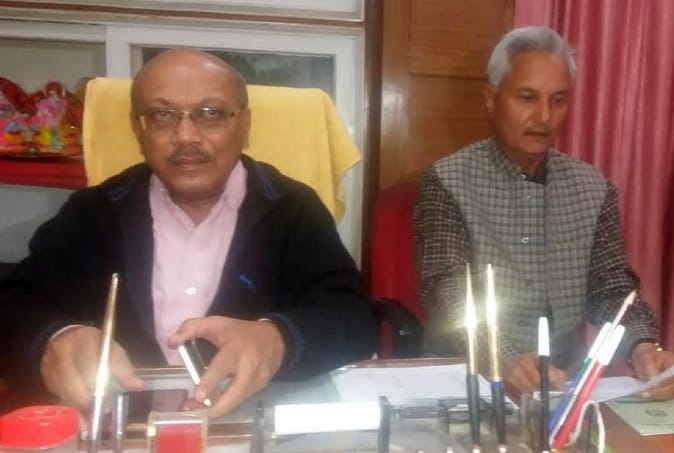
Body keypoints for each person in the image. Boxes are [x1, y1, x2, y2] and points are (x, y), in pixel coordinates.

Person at [0, 49, 377, 417]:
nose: (185, 136)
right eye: (162, 115)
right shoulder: (93, 212)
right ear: (138, 129)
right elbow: (16, 305)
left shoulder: (293, 208)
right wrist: (53, 338)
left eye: (210, 114)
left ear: (244, 126)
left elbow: (353, 319)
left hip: (248, 428)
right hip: (125, 429)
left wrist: (278, 338)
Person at [413, 26, 674, 398]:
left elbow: (611, 289)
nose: (544, 116)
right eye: (527, 97)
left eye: (558, 100)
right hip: (471, 375)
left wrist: (643, 346)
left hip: (564, 383)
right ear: (491, 99)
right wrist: (503, 357)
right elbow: (449, 293)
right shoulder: (447, 180)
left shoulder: (593, 187)